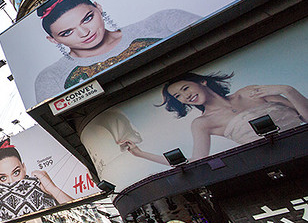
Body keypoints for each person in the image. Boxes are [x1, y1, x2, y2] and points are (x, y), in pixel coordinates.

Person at [33, 0, 199, 103]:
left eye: (87, 19)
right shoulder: (51, 77)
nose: (84, 32)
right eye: (67, 32)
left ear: (99, 8)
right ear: (53, 40)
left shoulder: (161, 22)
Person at [120, 72, 308, 163]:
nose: (185, 96)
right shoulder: (203, 123)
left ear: (202, 81)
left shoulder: (249, 92)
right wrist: (141, 154)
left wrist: (287, 91)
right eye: (178, 96)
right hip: (278, 160)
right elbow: (196, 161)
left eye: (185, 88)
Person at [0, 138, 73, 223]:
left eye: (16, 173)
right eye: (3, 178)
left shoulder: (43, 194)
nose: (12, 182)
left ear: (24, 168)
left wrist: (52, 188)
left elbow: (76, 210)